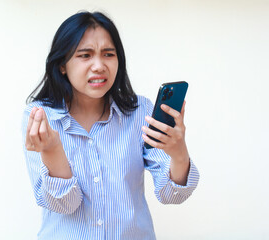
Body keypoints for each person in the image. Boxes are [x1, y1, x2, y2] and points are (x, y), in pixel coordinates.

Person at [22, 11, 199, 240]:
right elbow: (63, 205)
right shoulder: (41, 117)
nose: (99, 66)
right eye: (85, 55)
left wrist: (179, 154)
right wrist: (53, 151)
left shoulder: (140, 112)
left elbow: (171, 195)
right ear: (62, 65)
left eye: (108, 54)